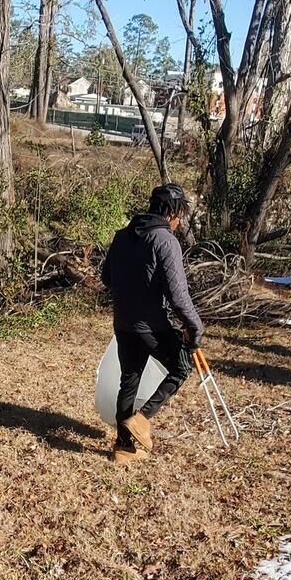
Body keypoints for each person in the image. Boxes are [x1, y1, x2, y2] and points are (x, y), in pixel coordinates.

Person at [100, 184, 205, 461]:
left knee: (129, 382)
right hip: (152, 326)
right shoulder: (165, 240)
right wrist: (195, 328)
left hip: (123, 324)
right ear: (172, 211)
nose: (179, 220)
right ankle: (142, 419)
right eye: (179, 214)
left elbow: (106, 278)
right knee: (181, 367)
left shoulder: (121, 236)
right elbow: (178, 296)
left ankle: (124, 448)